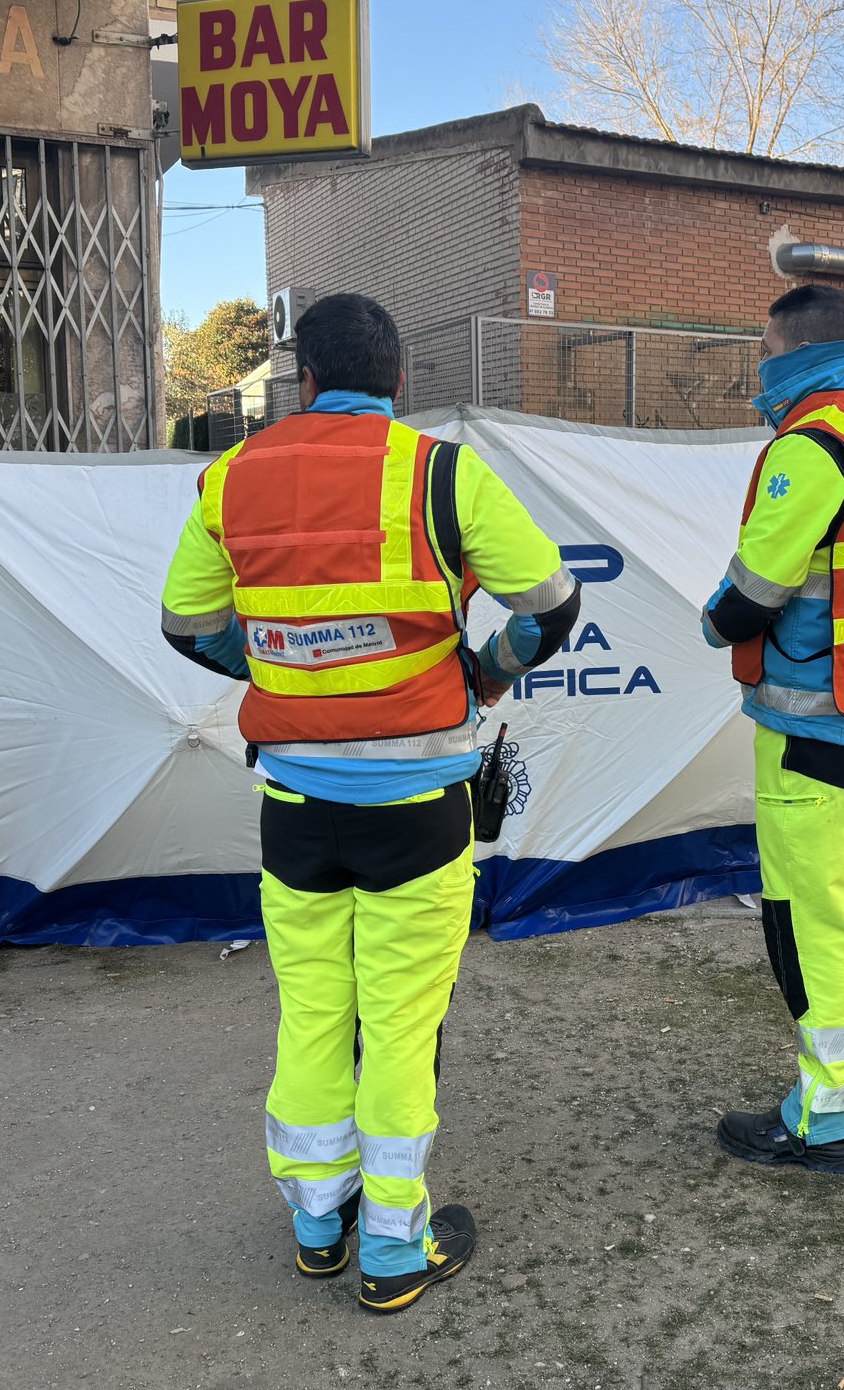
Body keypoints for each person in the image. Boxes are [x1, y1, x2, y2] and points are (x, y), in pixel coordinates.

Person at [159, 292, 580, 1313]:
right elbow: (551, 605)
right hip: (419, 808)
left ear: (302, 380)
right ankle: (394, 1248)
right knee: (399, 1025)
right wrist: (486, 671)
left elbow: (186, 625)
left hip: (295, 809)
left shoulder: (231, 478)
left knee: (313, 1015)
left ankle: (319, 1224)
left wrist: (270, 668)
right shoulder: (442, 474)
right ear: (399, 382)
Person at [700, 283, 844, 1175]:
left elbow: (753, 593)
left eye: (764, 351)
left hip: (815, 731)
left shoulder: (813, 448)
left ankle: (820, 1119)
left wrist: (713, 623)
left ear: (795, 354)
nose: (758, 369)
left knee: (811, 920)